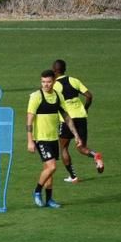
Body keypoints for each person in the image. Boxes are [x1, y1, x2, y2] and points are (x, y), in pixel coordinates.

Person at [27, 70, 83, 208]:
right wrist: (30, 140)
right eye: (43, 82)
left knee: (49, 170)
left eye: (48, 82)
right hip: (41, 138)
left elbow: (67, 117)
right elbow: (29, 119)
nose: (45, 85)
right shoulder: (36, 96)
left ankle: (49, 199)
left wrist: (76, 135)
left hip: (53, 138)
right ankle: (37, 191)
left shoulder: (58, 96)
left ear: (54, 82)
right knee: (52, 166)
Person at [51, 59, 104, 183]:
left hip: (66, 119)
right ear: (65, 69)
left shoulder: (54, 85)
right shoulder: (74, 80)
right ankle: (95, 155)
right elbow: (89, 96)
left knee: (64, 148)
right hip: (81, 116)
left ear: (54, 71)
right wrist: (85, 109)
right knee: (82, 147)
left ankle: (73, 177)